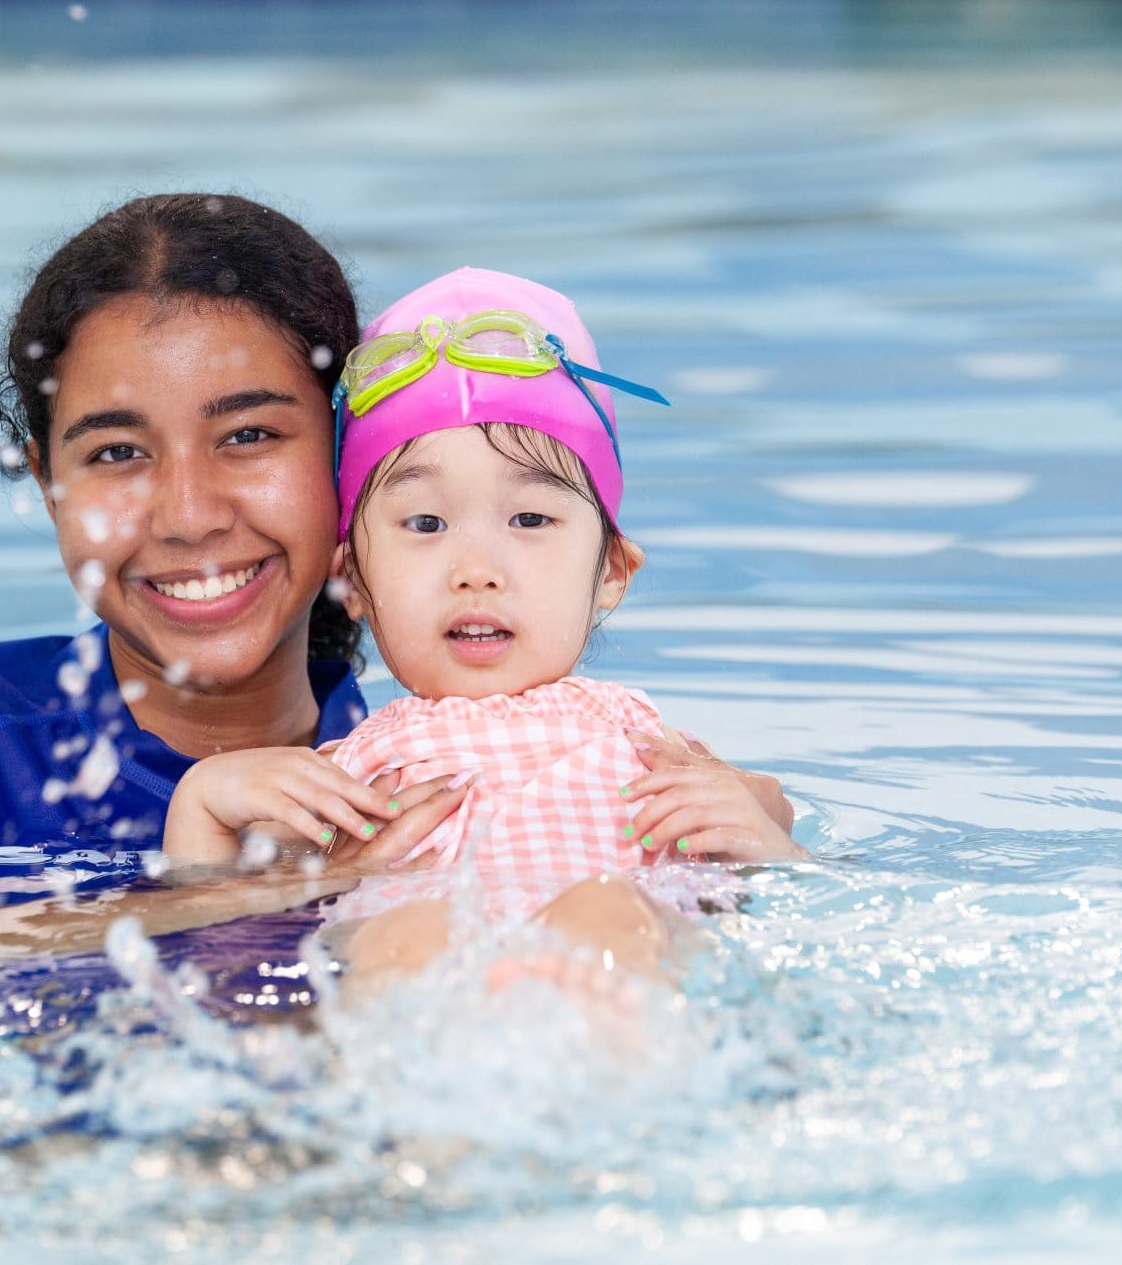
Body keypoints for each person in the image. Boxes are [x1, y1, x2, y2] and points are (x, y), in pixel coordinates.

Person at [0, 194, 472, 943]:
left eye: (249, 433)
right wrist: (252, 892)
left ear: (348, 458)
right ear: (47, 482)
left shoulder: (428, 787)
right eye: (118, 452)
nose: (190, 515)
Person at [159, 267, 803, 995]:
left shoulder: (657, 752)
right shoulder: (344, 786)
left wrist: (771, 847)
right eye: (425, 524)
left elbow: (760, 909)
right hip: (431, 1024)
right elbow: (210, 944)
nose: (475, 569)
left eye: (530, 520)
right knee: (411, 931)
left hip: (612, 995)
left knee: (607, 910)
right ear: (354, 583)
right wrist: (202, 801)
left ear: (613, 572)